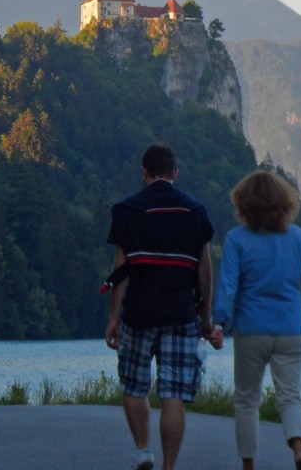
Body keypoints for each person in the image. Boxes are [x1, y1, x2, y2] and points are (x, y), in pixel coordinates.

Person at [105, 143, 216, 470]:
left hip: (139, 314)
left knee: (134, 385)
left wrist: (114, 316)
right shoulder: (195, 212)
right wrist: (205, 316)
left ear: (144, 173)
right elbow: (205, 269)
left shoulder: (126, 212)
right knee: (174, 393)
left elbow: (120, 270)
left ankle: (143, 450)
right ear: (174, 173)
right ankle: (169, 466)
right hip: (181, 314)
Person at [211, 169, 301, 470]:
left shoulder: (237, 239)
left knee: (247, 400)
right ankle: (299, 451)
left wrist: (219, 323)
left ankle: (249, 465)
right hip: (291, 327)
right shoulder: (298, 237)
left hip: (251, 330)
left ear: (243, 204)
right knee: (290, 397)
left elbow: (228, 285)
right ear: (284, 202)